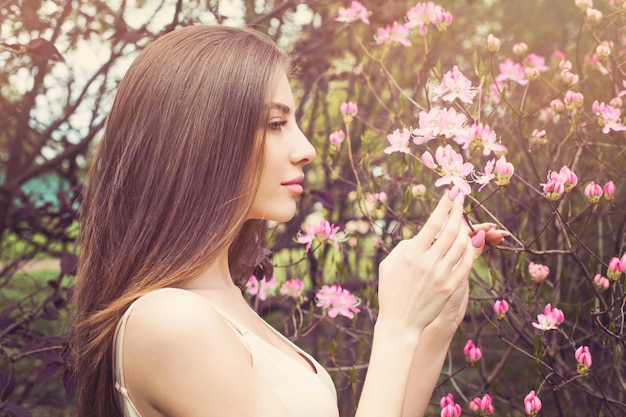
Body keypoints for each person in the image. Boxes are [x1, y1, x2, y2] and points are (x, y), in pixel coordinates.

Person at [70, 25, 507, 417]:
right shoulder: (170, 321)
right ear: (201, 140)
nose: (306, 148)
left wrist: (432, 324)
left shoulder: (216, 302)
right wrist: (397, 327)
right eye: (277, 123)